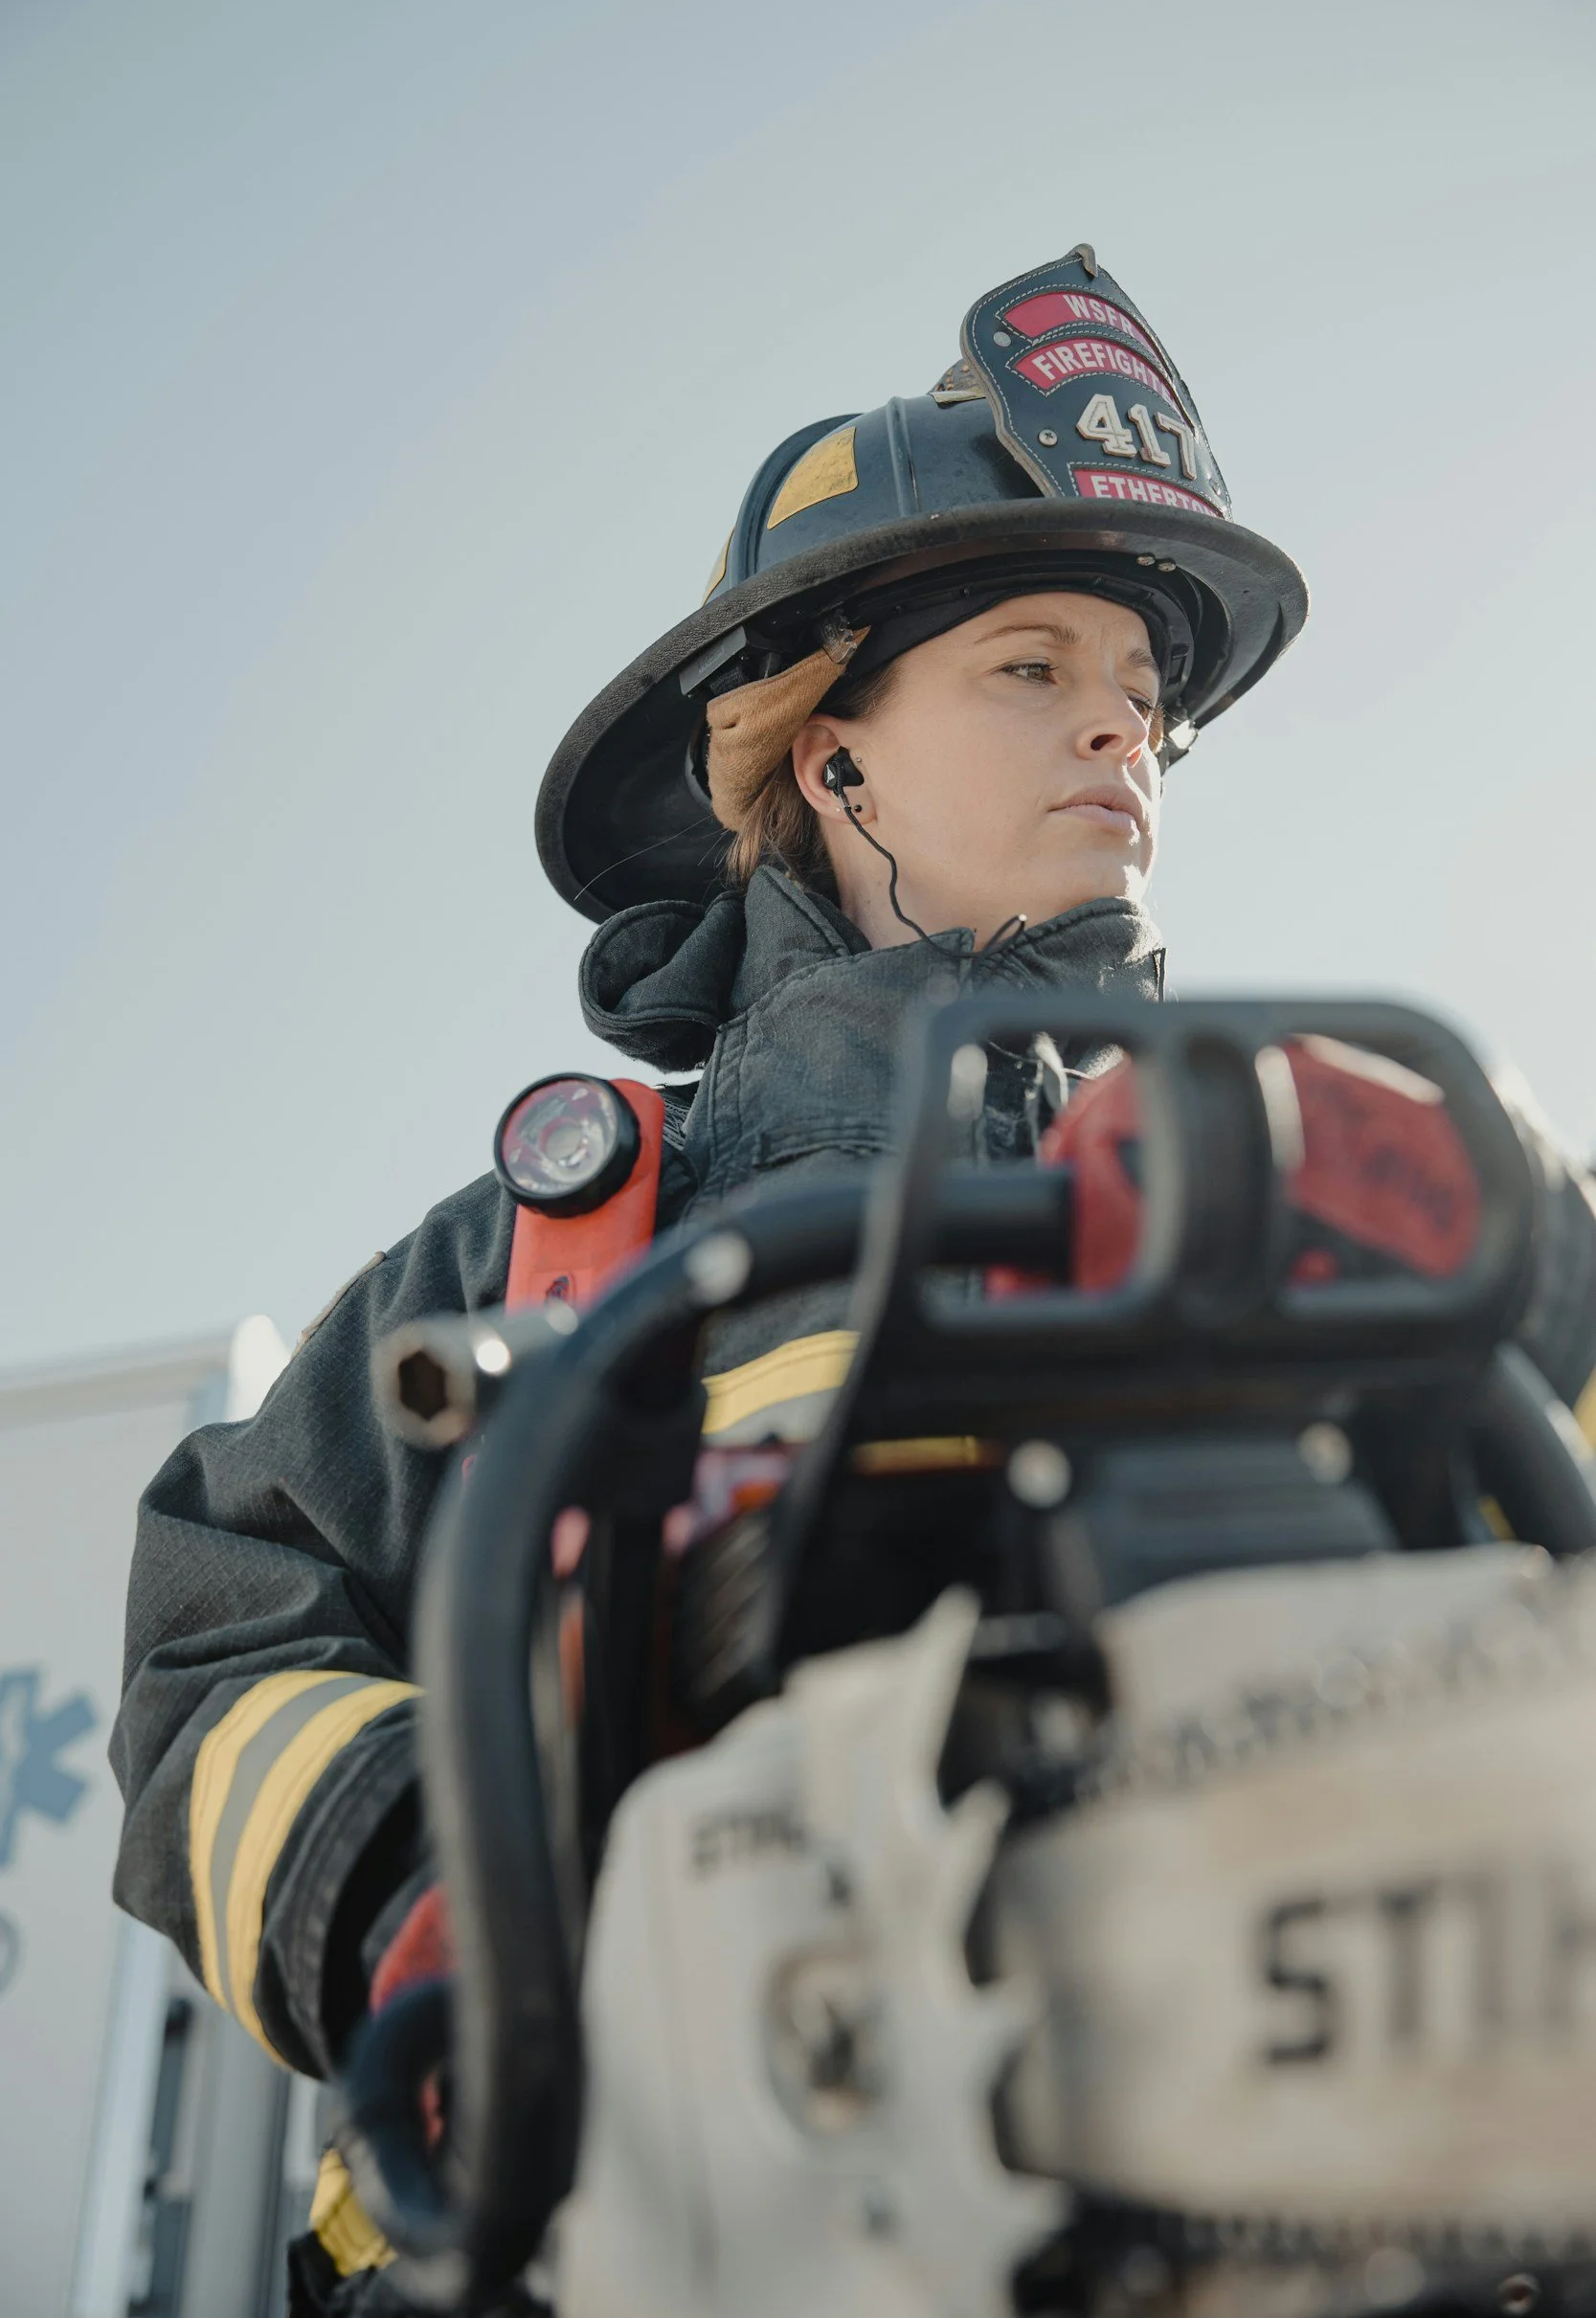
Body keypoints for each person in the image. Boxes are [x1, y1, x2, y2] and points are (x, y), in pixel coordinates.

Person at [109, 246, 1596, 2313]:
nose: (1117, 723)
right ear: (827, 756)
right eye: (1026, 664)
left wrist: (1531, 1232)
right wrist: (428, 1919)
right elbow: (217, 1654)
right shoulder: (544, 1249)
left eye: (1141, 688)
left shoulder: (1330, 1196)